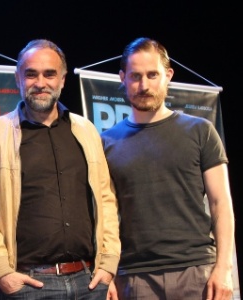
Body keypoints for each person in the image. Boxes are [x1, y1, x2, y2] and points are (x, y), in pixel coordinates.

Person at [0, 39, 120, 299]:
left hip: (89, 281)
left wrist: (108, 265)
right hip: (28, 286)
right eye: (31, 74)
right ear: (18, 78)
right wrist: (2, 272)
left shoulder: (85, 130)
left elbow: (105, 198)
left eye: (49, 74)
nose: (40, 83)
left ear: (63, 79)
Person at [101, 37, 235, 300]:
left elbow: (221, 204)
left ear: (168, 75)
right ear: (122, 78)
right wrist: (108, 274)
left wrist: (224, 268)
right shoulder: (106, 142)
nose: (144, 85)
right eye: (135, 76)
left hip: (196, 273)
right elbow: (103, 218)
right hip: (134, 276)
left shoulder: (200, 131)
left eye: (153, 75)